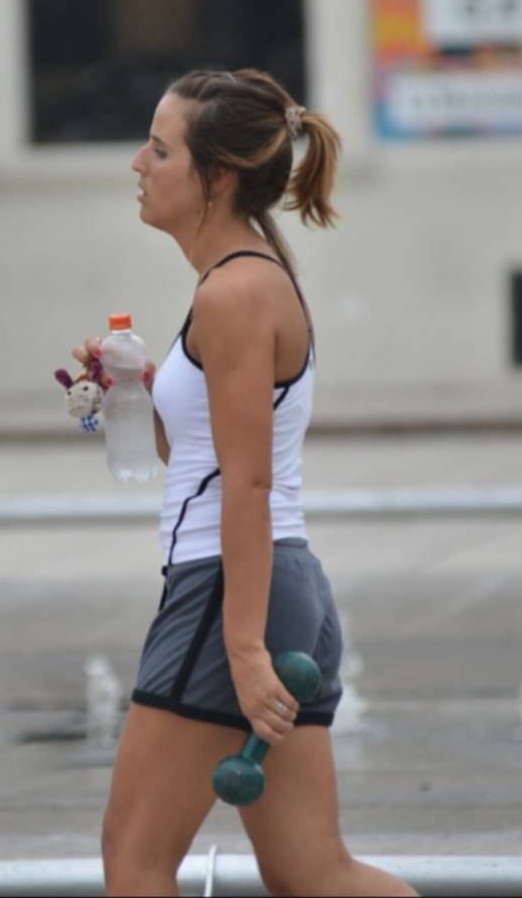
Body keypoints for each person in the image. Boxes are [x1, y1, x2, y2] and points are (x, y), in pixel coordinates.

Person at [70, 70, 417, 897]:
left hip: (233, 586)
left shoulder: (235, 290)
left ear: (217, 177)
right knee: (313, 871)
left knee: (136, 862)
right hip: (279, 582)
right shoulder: (244, 276)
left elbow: (247, 485)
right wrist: (136, 386)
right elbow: (203, 452)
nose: (137, 164)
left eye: (160, 149)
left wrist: (243, 646)